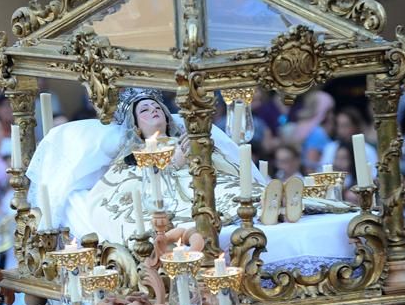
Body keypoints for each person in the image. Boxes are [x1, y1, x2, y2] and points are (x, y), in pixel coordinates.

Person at [28, 88, 268, 242]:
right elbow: (116, 191)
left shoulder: (185, 138)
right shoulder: (132, 155)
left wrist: (202, 150)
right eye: (144, 109)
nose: (153, 110)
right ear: (135, 124)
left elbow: (222, 166)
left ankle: (267, 204)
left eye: (157, 108)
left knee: (235, 190)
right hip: (171, 196)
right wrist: (173, 162)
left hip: (202, 184)